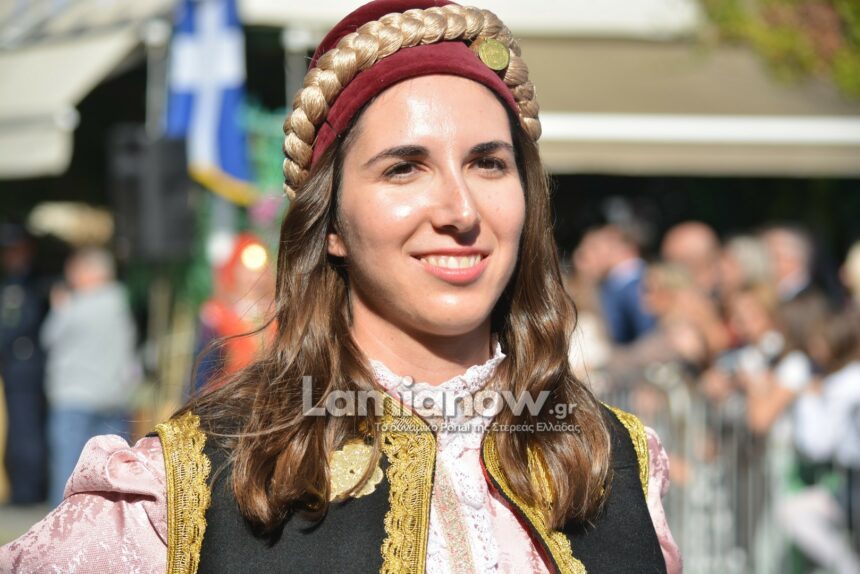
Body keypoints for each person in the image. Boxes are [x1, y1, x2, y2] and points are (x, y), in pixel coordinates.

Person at [1, 2, 681, 572]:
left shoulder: (614, 456)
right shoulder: (184, 482)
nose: (460, 210)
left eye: (488, 164)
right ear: (331, 225)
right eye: (404, 168)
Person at [39, 247, 139, 506]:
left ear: (88, 272)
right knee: (107, 471)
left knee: (68, 468)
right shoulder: (120, 304)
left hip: (74, 397)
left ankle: (63, 523)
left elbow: (48, 337)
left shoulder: (75, 305)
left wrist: (59, 307)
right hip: (114, 397)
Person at [0, 223, 49, 505]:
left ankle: (28, 490)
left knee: (26, 430)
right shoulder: (13, 282)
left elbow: (21, 324)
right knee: (18, 429)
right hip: (14, 366)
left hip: (26, 366)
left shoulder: (33, 283)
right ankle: (21, 487)